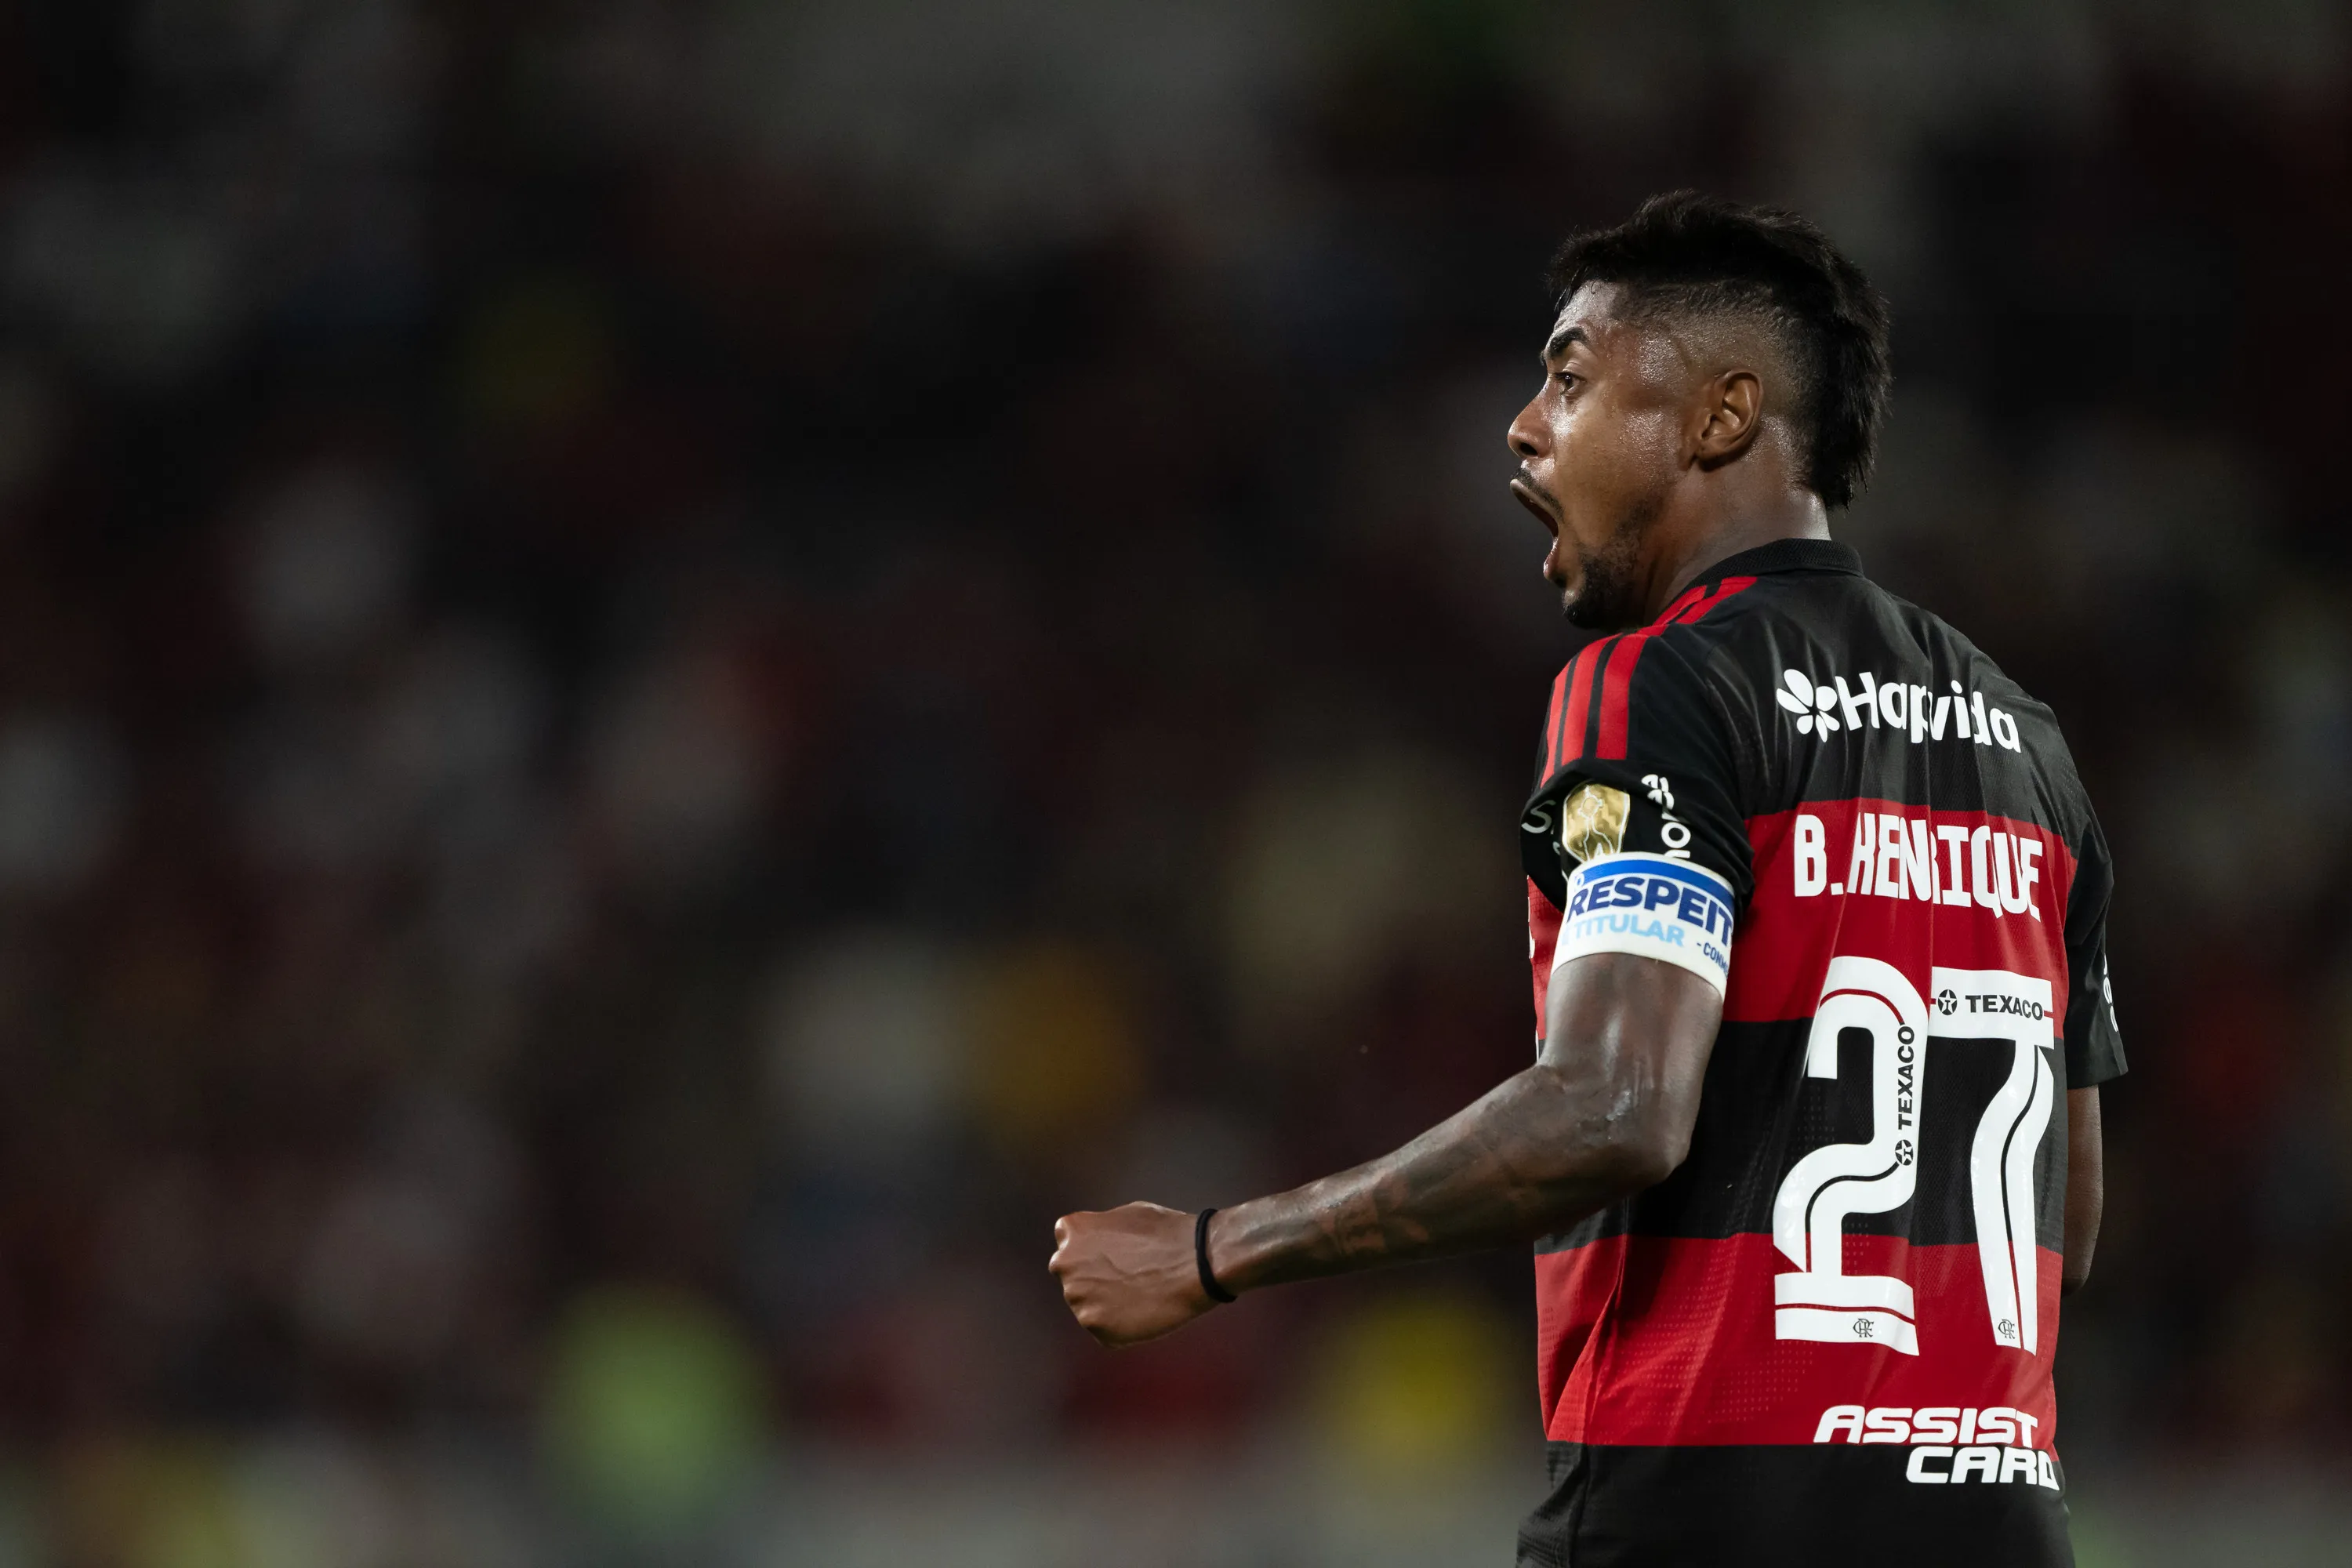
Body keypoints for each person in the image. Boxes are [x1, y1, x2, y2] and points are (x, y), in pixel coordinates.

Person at [1048, 191, 2124, 1566]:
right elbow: (2066, 1224)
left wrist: (1213, 1252)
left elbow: (1614, 1109)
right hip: (1998, 1523)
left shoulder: (1661, 680)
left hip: (1711, 1510)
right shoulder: (2029, 743)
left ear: (1721, 419)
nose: (1525, 424)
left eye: (1569, 377)